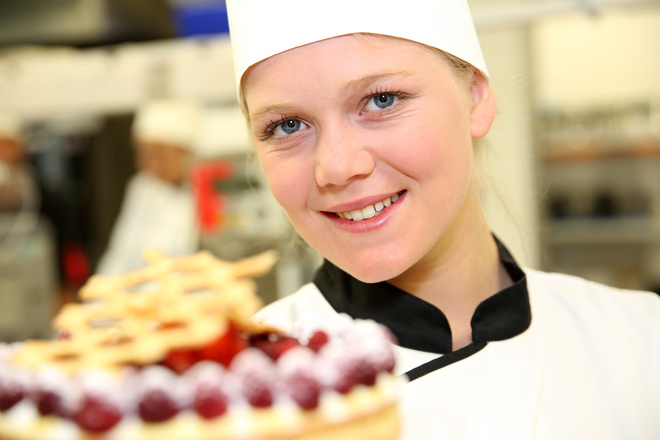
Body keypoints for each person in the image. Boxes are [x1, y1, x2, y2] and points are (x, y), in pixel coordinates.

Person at [225, 1, 660, 439]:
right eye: (286, 126)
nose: (336, 167)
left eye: (381, 100)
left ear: (474, 97)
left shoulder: (640, 342)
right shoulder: (229, 390)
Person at [95, 99, 201, 276]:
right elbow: (120, 253)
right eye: (142, 154)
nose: (149, 164)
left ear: (186, 151)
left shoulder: (202, 193)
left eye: (159, 155)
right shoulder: (142, 187)